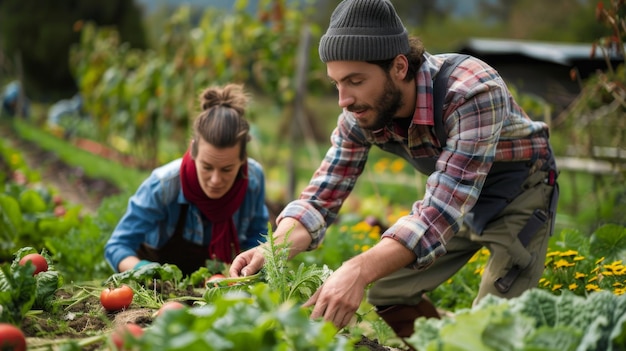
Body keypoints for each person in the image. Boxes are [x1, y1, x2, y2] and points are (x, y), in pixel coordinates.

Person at [229, 0, 559, 342]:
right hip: (455, 195)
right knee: (385, 291)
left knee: (493, 331)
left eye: (355, 80)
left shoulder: (471, 92)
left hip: (519, 191)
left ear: (399, 67)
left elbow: (439, 214)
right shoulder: (361, 113)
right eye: (336, 83)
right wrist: (273, 250)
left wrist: (356, 270)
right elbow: (321, 196)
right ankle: (438, 342)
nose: (344, 99)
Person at [105, 84, 269, 276]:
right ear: (193, 151)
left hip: (219, 289)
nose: (216, 180)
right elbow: (118, 246)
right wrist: (145, 271)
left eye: (227, 169)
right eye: (207, 167)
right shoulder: (164, 185)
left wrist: (249, 273)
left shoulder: (253, 180)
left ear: (242, 159)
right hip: (161, 292)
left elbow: (256, 241)